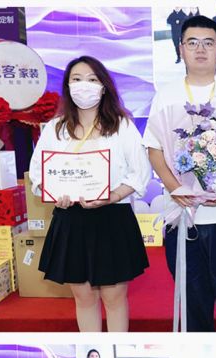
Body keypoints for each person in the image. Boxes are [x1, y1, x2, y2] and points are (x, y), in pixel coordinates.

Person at [147, 15, 216, 332]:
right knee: (193, 307)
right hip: (185, 220)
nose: (200, 49)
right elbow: (154, 149)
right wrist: (176, 188)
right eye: (192, 42)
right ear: (181, 49)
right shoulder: (166, 95)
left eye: (208, 43)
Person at [30, 55, 153, 332]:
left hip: (112, 218)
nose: (83, 85)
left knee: (114, 297)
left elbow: (140, 172)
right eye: (76, 79)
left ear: (104, 86)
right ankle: (93, 346)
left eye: (92, 79)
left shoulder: (121, 125)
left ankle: (115, 352)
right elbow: (38, 174)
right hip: (71, 219)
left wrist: (113, 195)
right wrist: (54, 194)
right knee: (83, 297)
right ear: (67, 86)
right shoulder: (55, 128)